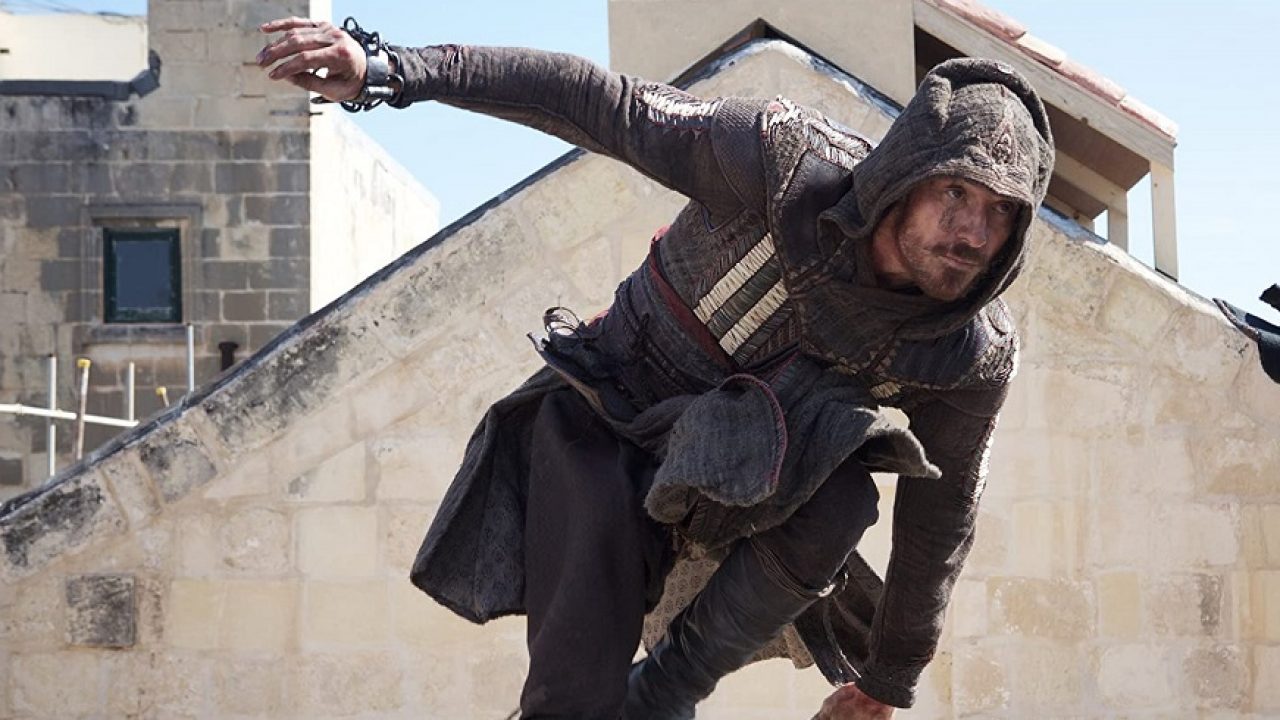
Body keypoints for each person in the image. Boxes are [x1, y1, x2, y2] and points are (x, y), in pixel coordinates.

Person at [258, 15, 1054, 720]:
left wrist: (887, 679)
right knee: (574, 707)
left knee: (847, 485)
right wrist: (392, 69)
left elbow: (942, 517)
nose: (972, 232)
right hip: (605, 429)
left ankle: (668, 690)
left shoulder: (968, 351)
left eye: (1001, 212)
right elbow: (602, 105)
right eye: (956, 192)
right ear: (907, 176)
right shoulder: (780, 162)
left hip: (738, 502)